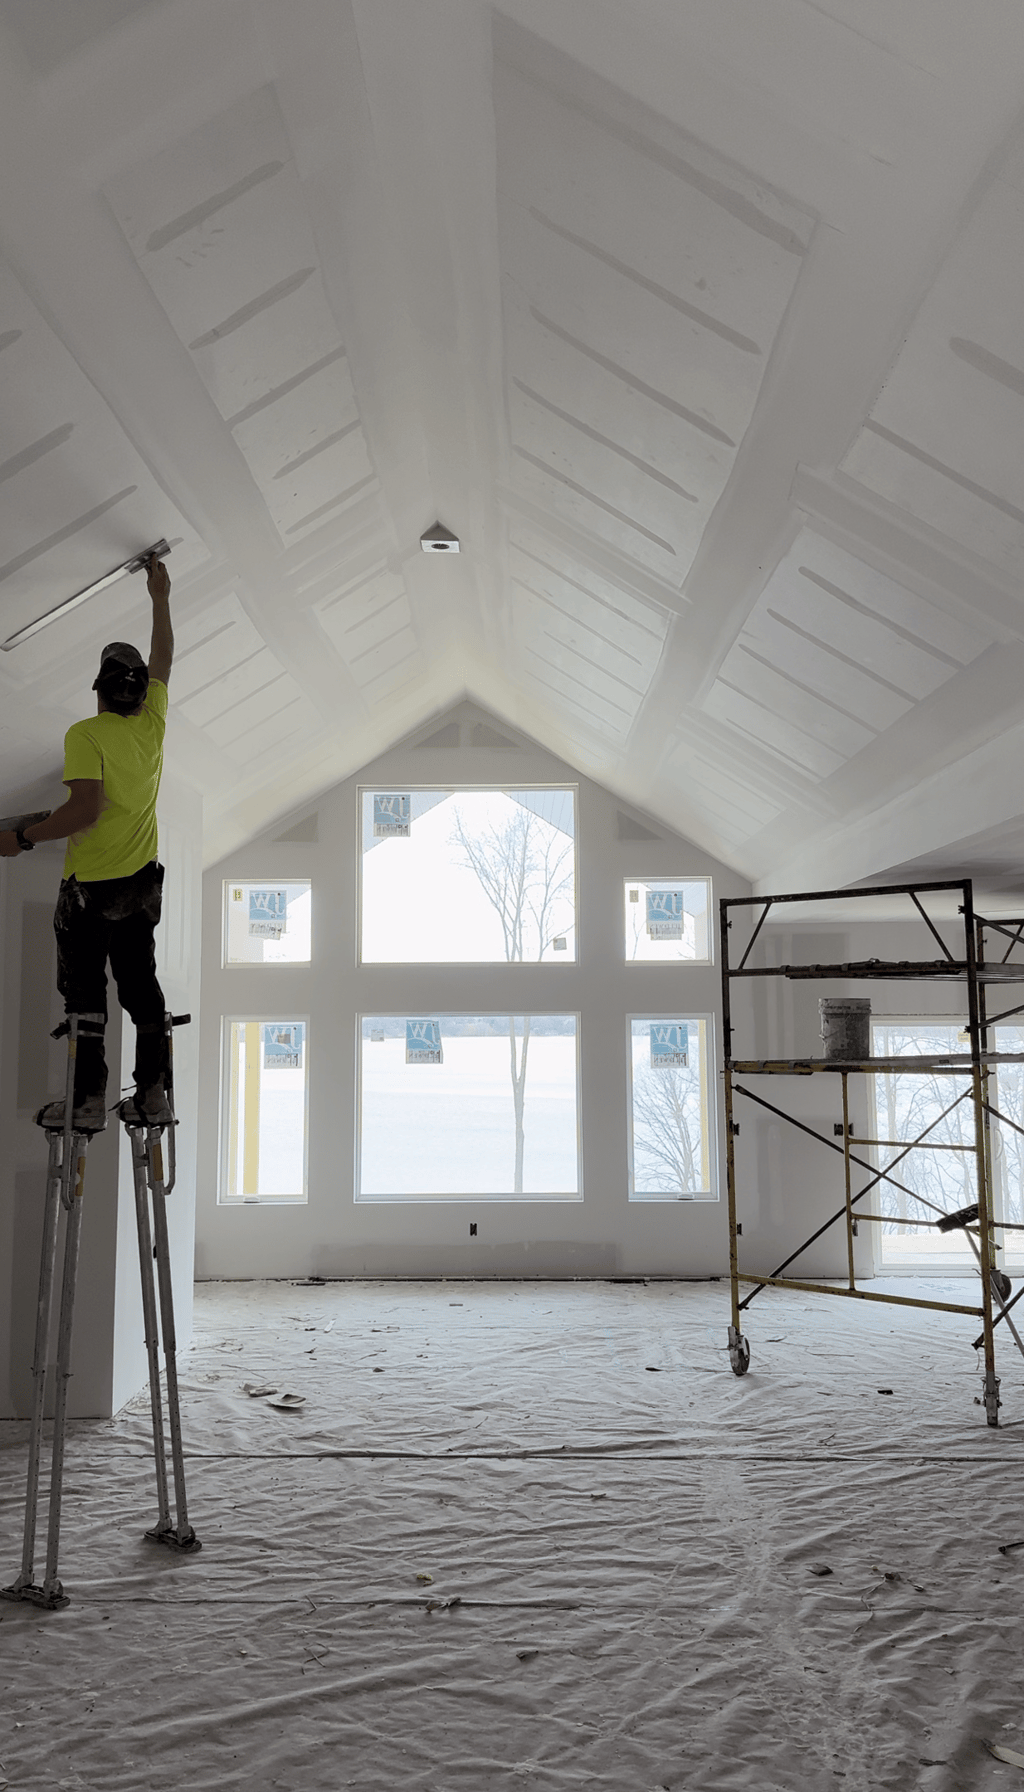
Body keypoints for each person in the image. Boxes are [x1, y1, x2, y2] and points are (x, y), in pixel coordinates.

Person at [0, 556, 174, 1130]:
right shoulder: (152, 724)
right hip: (141, 886)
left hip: (92, 893)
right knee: (141, 989)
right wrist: (159, 596)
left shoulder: (87, 734)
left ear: (99, 690)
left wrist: (23, 838)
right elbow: (165, 657)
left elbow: (85, 809)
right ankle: (152, 1095)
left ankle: (88, 1102)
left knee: (84, 997)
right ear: (140, 693)